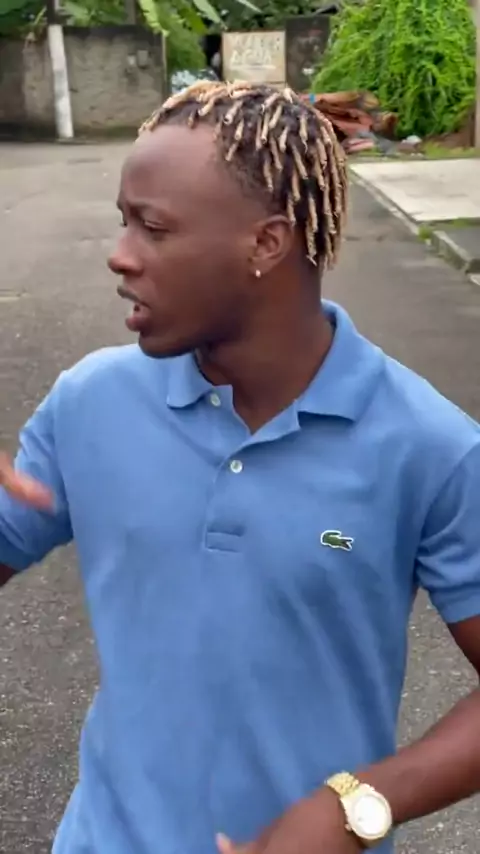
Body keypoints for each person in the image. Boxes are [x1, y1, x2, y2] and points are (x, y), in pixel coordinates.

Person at [1, 81, 480, 854]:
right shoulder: (89, 402)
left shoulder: (431, 446)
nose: (120, 256)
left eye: (154, 228)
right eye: (124, 221)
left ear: (266, 244)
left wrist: (356, 807)